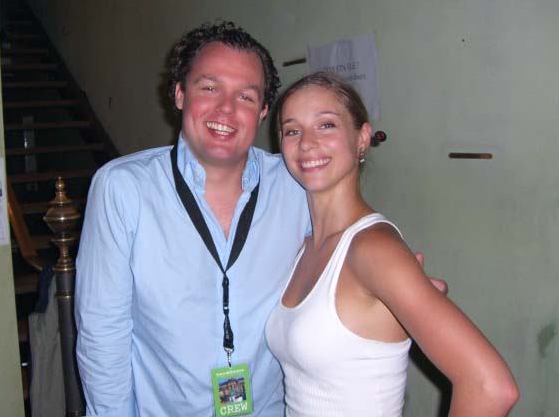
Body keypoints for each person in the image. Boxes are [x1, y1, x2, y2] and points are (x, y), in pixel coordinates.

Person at [75, 22, 445, 417]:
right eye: (209, 88)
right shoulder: (123, 189)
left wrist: (398, 291)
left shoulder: (296, 184)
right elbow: (102, 333)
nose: (226, 109)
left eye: (246, 96)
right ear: (180, 94)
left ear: (263, 111)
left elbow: (346, 252)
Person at [265, 72, 519, 416]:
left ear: (362, 138)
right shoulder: (306, 247)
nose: (307, 143)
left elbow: (491, 387)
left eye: (326, 125)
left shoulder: (373, 249)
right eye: (292, 130)